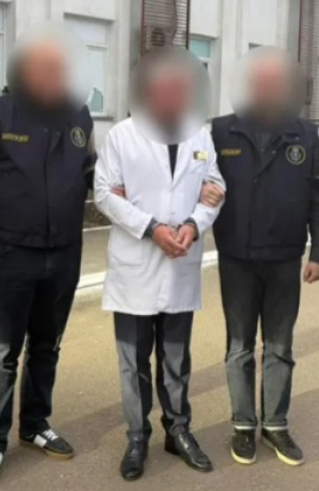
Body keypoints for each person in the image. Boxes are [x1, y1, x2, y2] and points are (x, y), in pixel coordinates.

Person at [0, 35, 95, 490]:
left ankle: (35, 424)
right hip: (9, 253)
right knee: (0, 353)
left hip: (64, 253)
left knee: (47, 346)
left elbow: (96, 175)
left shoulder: (79, 116)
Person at [93, 49, 225, 481]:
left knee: (176, 358)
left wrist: (192, 224)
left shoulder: (200, 136)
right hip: (136, 265)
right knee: (133, 362)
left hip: (181, 261)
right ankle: (137, 437)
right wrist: (151, 228)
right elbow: (105, 193)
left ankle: (178, 430)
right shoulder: (122, 135)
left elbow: (215, 188)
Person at [208, 48, 319, 467]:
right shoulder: (221, 131)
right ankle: (244, 426)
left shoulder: (305, 133)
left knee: (279, 346)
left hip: (284, 257)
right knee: (239, 346)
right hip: (237, 257)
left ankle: (276, 424)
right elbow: (197, 183)